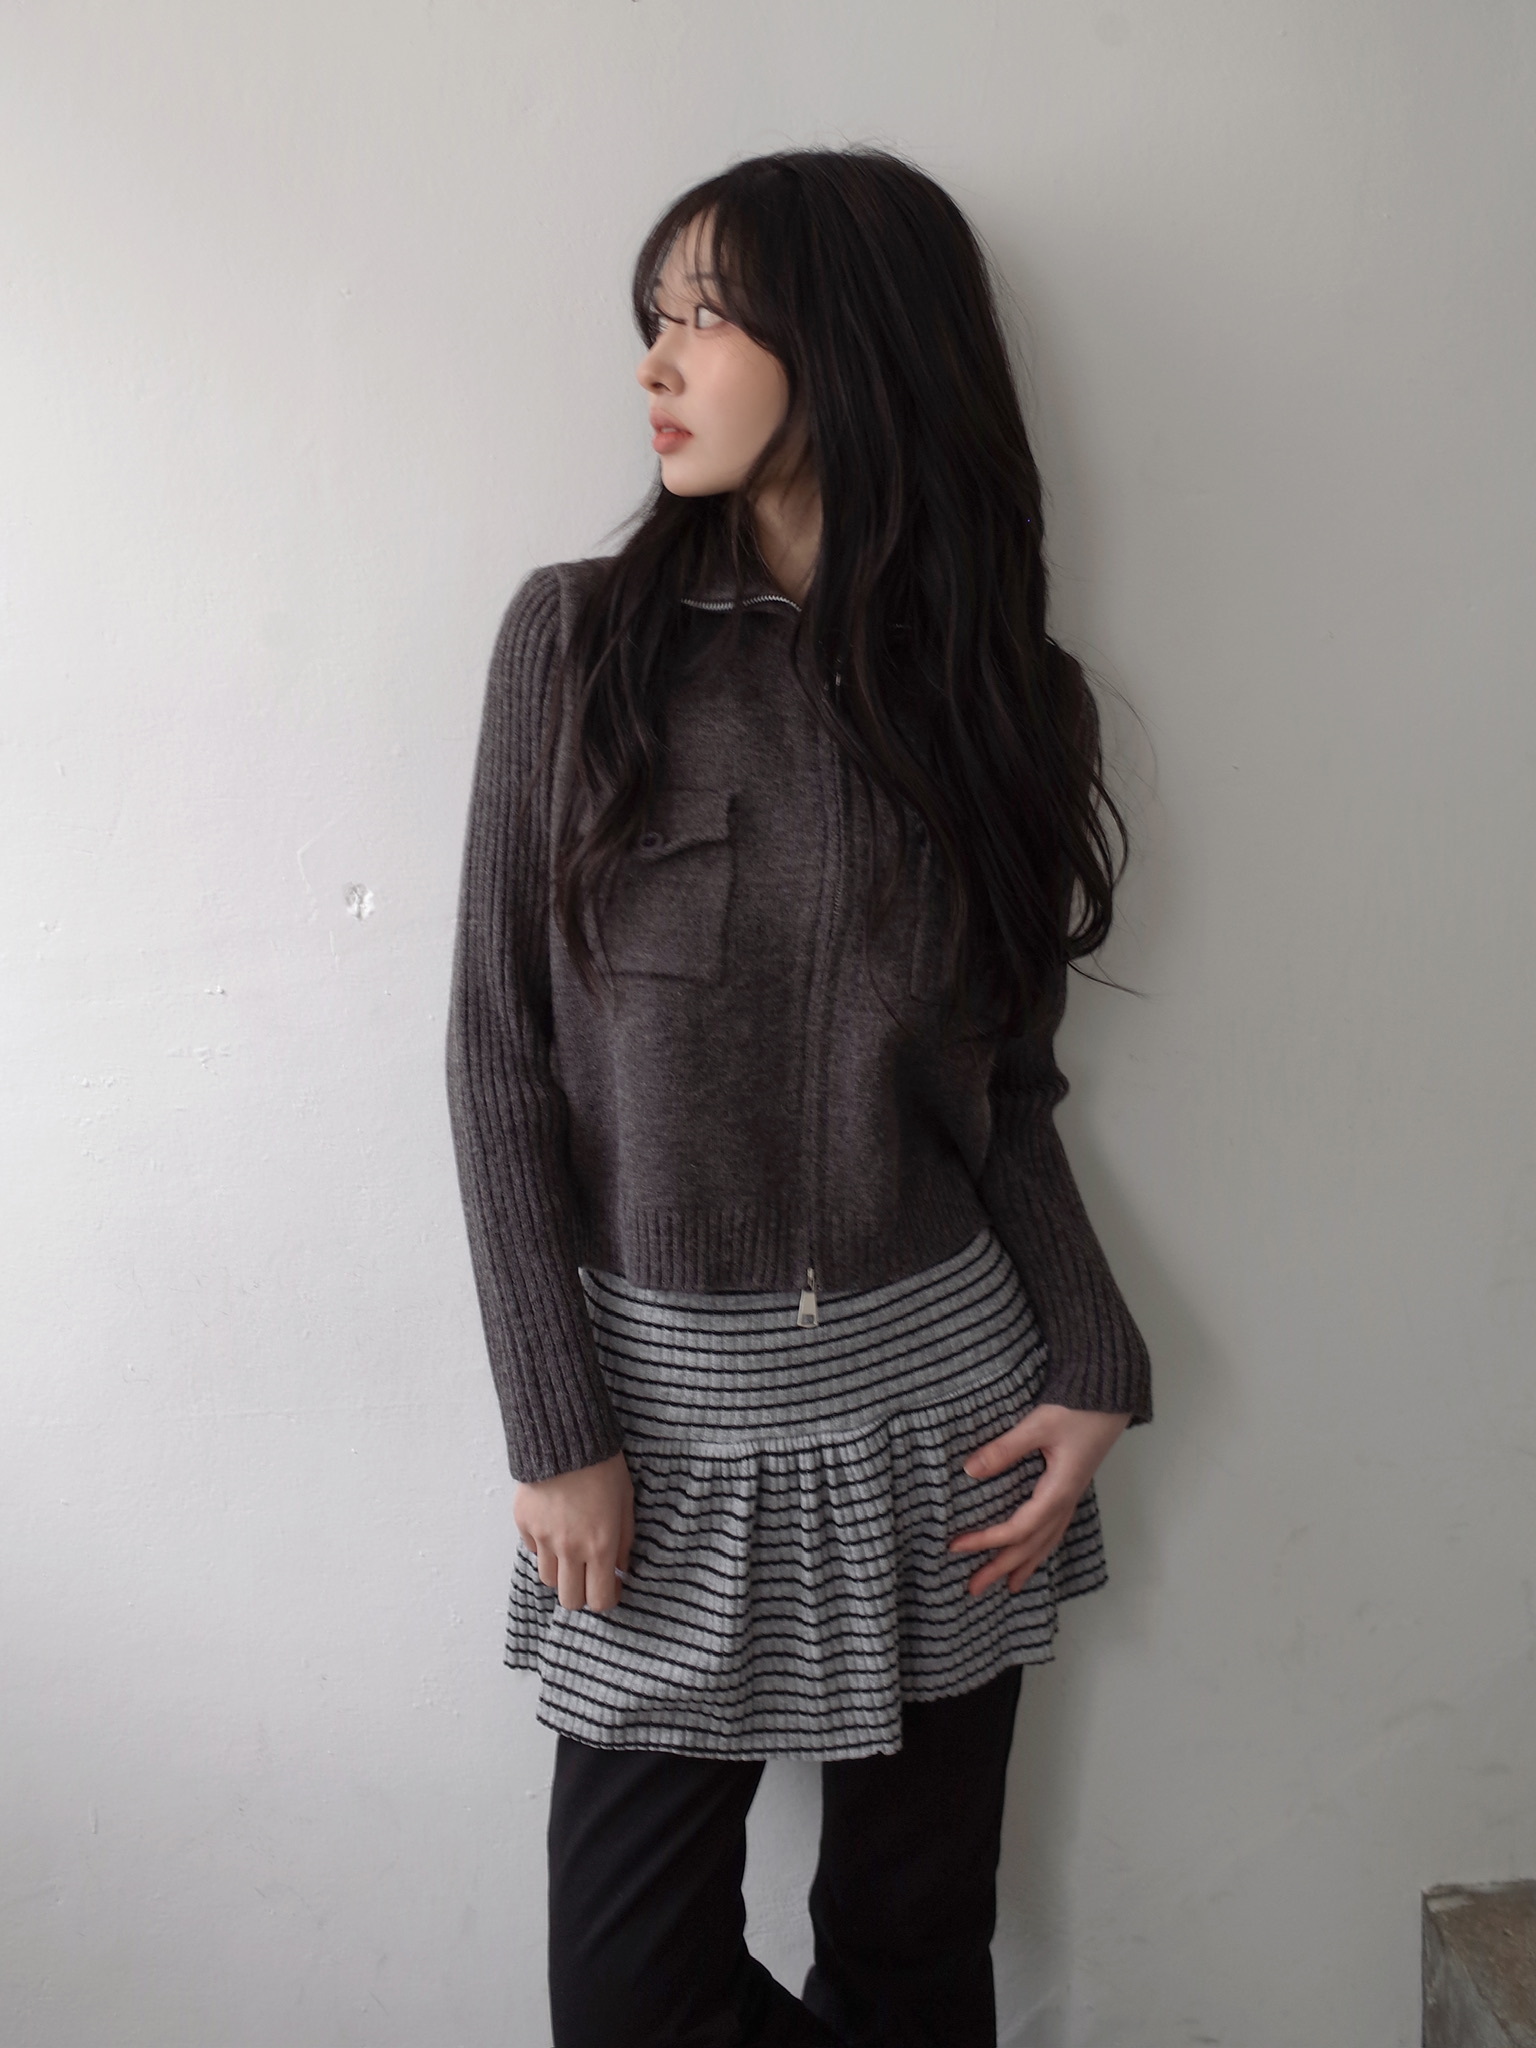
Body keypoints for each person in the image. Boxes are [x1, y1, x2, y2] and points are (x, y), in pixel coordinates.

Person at [445, 144, 1152, 2048]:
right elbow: (498, 1060)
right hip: (661, 1436)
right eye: (652, 318)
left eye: (710, 315)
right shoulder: (577, 647)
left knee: (914, 1963)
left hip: (951, 1423)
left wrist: (1095, 1353)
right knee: (631, 1994)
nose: (656, 362)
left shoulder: (1009, 697)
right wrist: (556, 1423)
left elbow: (1009, 1088)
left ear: (854, 345)